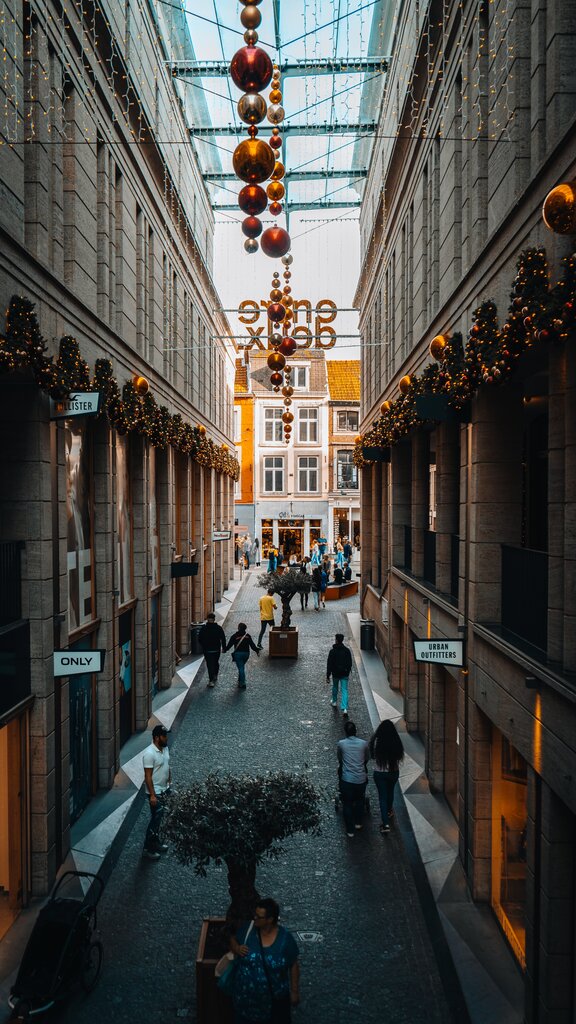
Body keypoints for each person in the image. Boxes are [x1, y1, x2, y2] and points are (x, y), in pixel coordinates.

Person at [230, 897, 300, 1024]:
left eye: (259, 916)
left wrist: (294, 991)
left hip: (273, 1004)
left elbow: (293, 964)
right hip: (245, 1003)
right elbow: (233, 939)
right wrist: (237, 947)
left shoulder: (285, 940)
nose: (254, 918)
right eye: (255, 914)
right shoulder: (248, 929)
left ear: (270, 919)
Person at [369, 719, 405, 834]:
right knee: (390, 792)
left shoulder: (376, 740)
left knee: (382, 797)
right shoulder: (396, 741)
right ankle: (389, 811)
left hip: (380, 773)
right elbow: (399, 755)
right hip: (393, 771)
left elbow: (372, 756)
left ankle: (385, 824)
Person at [142, 724, 171, 860]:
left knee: (158, 819)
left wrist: (169, 782)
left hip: (165, 789)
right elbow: (147, 776)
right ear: (156, 737)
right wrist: (152, 795)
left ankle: (156, 842)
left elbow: (167, 765)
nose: (166, 738)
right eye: (164, 736)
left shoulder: (165, 749)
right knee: (155, 820)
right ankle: (147, 849)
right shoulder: (149, 754)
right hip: (156, 793)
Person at [337, 720, 369, 837]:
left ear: (345, 732)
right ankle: (358, 823)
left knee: (347, 803)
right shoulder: (364, 743)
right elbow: (367, 758)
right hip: (360, 779)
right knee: (360, 800)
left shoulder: (341, 744)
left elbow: (340, 759)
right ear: (356, 731)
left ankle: (350, 830)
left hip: (347, 779)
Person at [225, 622, 260, 689]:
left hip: (238, 654)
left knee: (241, 668)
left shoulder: (234, 636)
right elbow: (252, 645)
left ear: (238, 628)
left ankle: (242, 683)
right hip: (246, 654)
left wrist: (225, 650)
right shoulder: (248, 636)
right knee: (241, 666)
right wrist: (257, 651)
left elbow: (229, 645)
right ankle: (240, 679)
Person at [198, 612, 227, 688]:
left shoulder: (204, 628)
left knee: (209, 664)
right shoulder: (218, 628)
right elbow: (223, 638)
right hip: (216, 649)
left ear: (207, 619)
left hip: (207, 650)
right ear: (214, 619)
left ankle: (211, 680)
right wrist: (224, 648)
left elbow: (199, 638)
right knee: (215, 662)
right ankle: (215, 675)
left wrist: (203, 645)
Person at [327, 633, 352, 715]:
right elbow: (350, 663)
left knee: (335, 687)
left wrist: (328, 675)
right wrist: (347, 671)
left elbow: (329, 664)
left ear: (336, 640)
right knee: (344, 690)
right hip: (344, 673)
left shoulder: (332, 651)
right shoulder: (347, 651)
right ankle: (344, 708)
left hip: (335, 673)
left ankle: (334, 701)